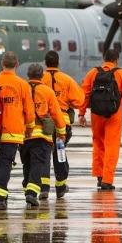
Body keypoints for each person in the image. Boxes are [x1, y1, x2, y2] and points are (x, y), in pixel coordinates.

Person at [0, 51, 35, 211]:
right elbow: (29, 111)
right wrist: (29, 129)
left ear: (2, 63)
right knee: (5, 163)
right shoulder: (23, 84)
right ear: (17, 65)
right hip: (13, 131)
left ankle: (0, 189)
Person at [78, 49, 122, 191]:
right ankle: (107, 180)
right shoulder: (121, 74)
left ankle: (99, 176)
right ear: (116, 60)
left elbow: (84, 93)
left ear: (104, 58)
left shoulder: (93, 73)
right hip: (114, 115)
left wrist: (81, 113)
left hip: (96, 114)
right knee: (112, 146)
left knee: (98, 143)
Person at [40, 50, 84, 199]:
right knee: (60, 154)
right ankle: (60, 188)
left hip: (43, 125)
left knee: (44, 155)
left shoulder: (40, 79)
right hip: (62, 125)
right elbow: (80, 100)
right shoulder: (67, 79)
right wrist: (68, 103)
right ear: (58, 63)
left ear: (45, 63)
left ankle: (44, 189)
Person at [22, 63, 66, 207]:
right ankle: (31, 193)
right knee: (37, 164)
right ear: (42, 76)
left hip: (22, 136)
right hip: (41, 137)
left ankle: (28, 189)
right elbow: (57, 115)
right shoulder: (48, 91)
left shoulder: (22, 88)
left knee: (26, 164)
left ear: (28, 75)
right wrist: (61, 132)